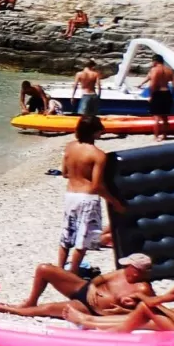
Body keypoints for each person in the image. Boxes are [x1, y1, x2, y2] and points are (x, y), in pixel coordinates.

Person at [0, 254, 156, 318]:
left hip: (91, 307)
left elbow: (149, 312)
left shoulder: (144, 290)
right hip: (84, 288)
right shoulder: (121, 273)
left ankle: (13, 310)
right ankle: (31, 301)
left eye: (129, 266)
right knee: (44, 269)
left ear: (136, 271)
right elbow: (100, 279)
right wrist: (92, 287)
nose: (125, 267)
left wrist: (123, 311)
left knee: (49, 308)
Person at [58, 115, 121, 271]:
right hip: (87, 198)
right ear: (95, 132)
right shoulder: (98, 155)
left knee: (67, 235)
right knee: (84, 238)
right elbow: (96, 186)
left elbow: (64, 173)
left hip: (70, 195)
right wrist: (115, 202)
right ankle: (73, 271)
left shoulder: (69, 147)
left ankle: (59, 268)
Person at [145, 53, 174, 141]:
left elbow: (153, 85)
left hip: (157, 93)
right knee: (165, 117)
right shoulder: (169, 70)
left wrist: (151, 96)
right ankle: (164, 135)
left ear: (155, 61)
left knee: (156, 117)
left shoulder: (154, 70)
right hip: (167, 93)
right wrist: (172, 96)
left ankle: (156, 137)